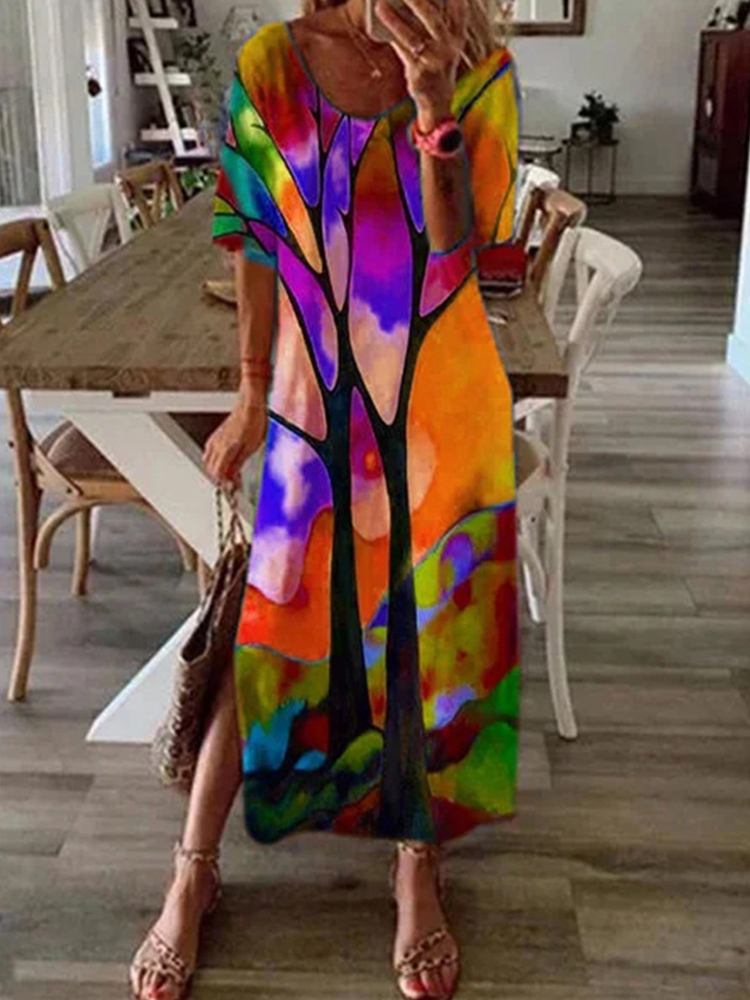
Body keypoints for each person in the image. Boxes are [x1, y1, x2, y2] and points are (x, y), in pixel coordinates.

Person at [129, 1, 519, 998]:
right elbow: (252, 242)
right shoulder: (272, 65)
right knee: (267, 630)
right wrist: (249, 392)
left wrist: (433, 104)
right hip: (315, 402)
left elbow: (459, 252)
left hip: (441, 401)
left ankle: (417, 865)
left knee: (431, 639)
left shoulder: (480, 69)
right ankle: (192, 871)